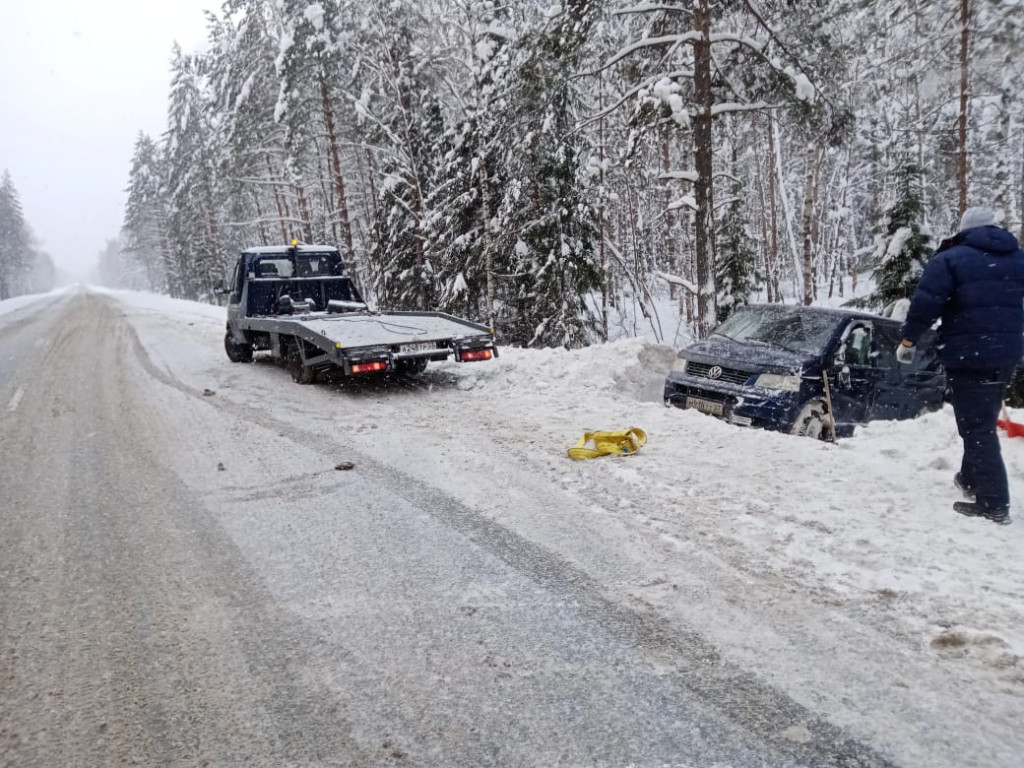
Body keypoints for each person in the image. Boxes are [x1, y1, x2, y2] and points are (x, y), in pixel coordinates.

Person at [897, 206, 1024, 526]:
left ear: (964, 230)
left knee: (977, 426)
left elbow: (927, 303)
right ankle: (970, 480)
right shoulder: (1017, 258)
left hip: (969, 353)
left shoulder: (951, 259)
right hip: (1007, 354)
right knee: (981, 418)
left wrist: (909, 340)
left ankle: (994, 503)